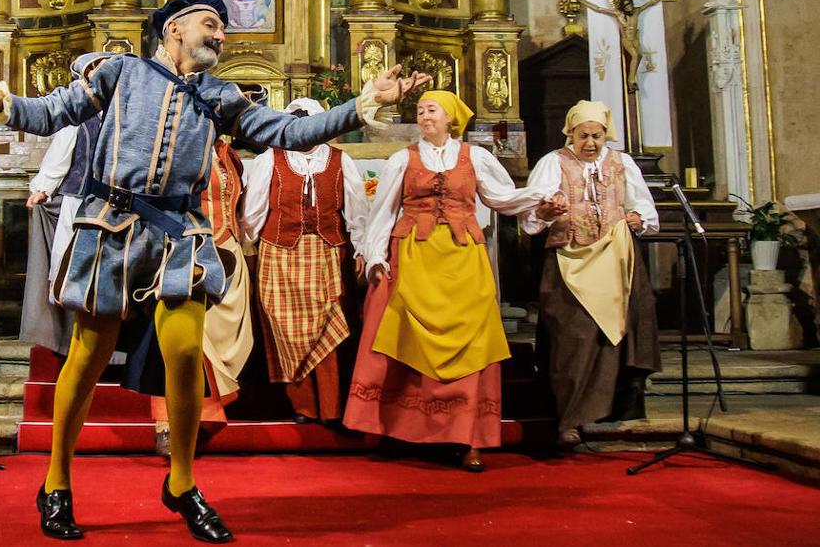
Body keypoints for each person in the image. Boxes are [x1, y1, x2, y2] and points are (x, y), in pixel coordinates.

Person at [0, 0, 429, 543]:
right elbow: (52, 111)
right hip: (110, 225)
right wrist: (0, 99)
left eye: (223, 28)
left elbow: (288, 131)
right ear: (175, 29)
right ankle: (57, 480)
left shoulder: (220, 95)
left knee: (184, 352)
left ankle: (181, 483)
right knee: (88, 354)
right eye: (211, 23)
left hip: (178, 231)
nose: (221, 35)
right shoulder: (122, 72)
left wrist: (362, 103)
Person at [343, 90, 541, 472]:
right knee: (400, 334)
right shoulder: (403, 159)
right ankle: (399, 429)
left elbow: (502, 197)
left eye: (431, 110)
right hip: (413, 257)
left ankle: (471, 439)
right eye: (420, 111)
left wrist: (540, 200)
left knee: (472, 343)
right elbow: (382, 210)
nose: (424, 116)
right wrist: (377, 257)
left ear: (450, 117)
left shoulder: (476, 157)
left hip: (462, 258)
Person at [521, 100, 661, 447]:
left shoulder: (621, 163)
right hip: (571, 263)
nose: (590, 143)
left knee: (618, 332)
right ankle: (570, 418)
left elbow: (644, 206)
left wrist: (638, 219)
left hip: (616, 259)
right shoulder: (553, 163)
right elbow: (531, 220)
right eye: (583, 135)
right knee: (575, 339)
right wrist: (547, 210)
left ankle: (616, 410)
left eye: (597, 136)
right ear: (570, 133)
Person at [240, 97, 369, 424]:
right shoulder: (272, 158)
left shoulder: (340, 160)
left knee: (329, 331)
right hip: (280, 254)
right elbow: (253, 212)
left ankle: (329, 408)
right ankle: (304, 406)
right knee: (284, 331)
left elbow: (357, 212)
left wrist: (362, 249)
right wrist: (246, 249)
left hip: (327, 254)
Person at [151, 135, 254, 455]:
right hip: (190, 253)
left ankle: (201, 419)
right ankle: (167, 425)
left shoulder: (229, 155)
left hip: (228, 253)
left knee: (218, 342)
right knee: (184, 341)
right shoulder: (175, 149)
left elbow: (236, 206)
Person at [20, 60, 104, 357]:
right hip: (78, 198)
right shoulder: (78, 112)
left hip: (114, 204)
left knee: (107, 272)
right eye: (95, 70)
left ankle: (110, 346)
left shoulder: (126, 108)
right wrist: (43, 187)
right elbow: (62, 151)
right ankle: (69, 340)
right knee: (72, 269)